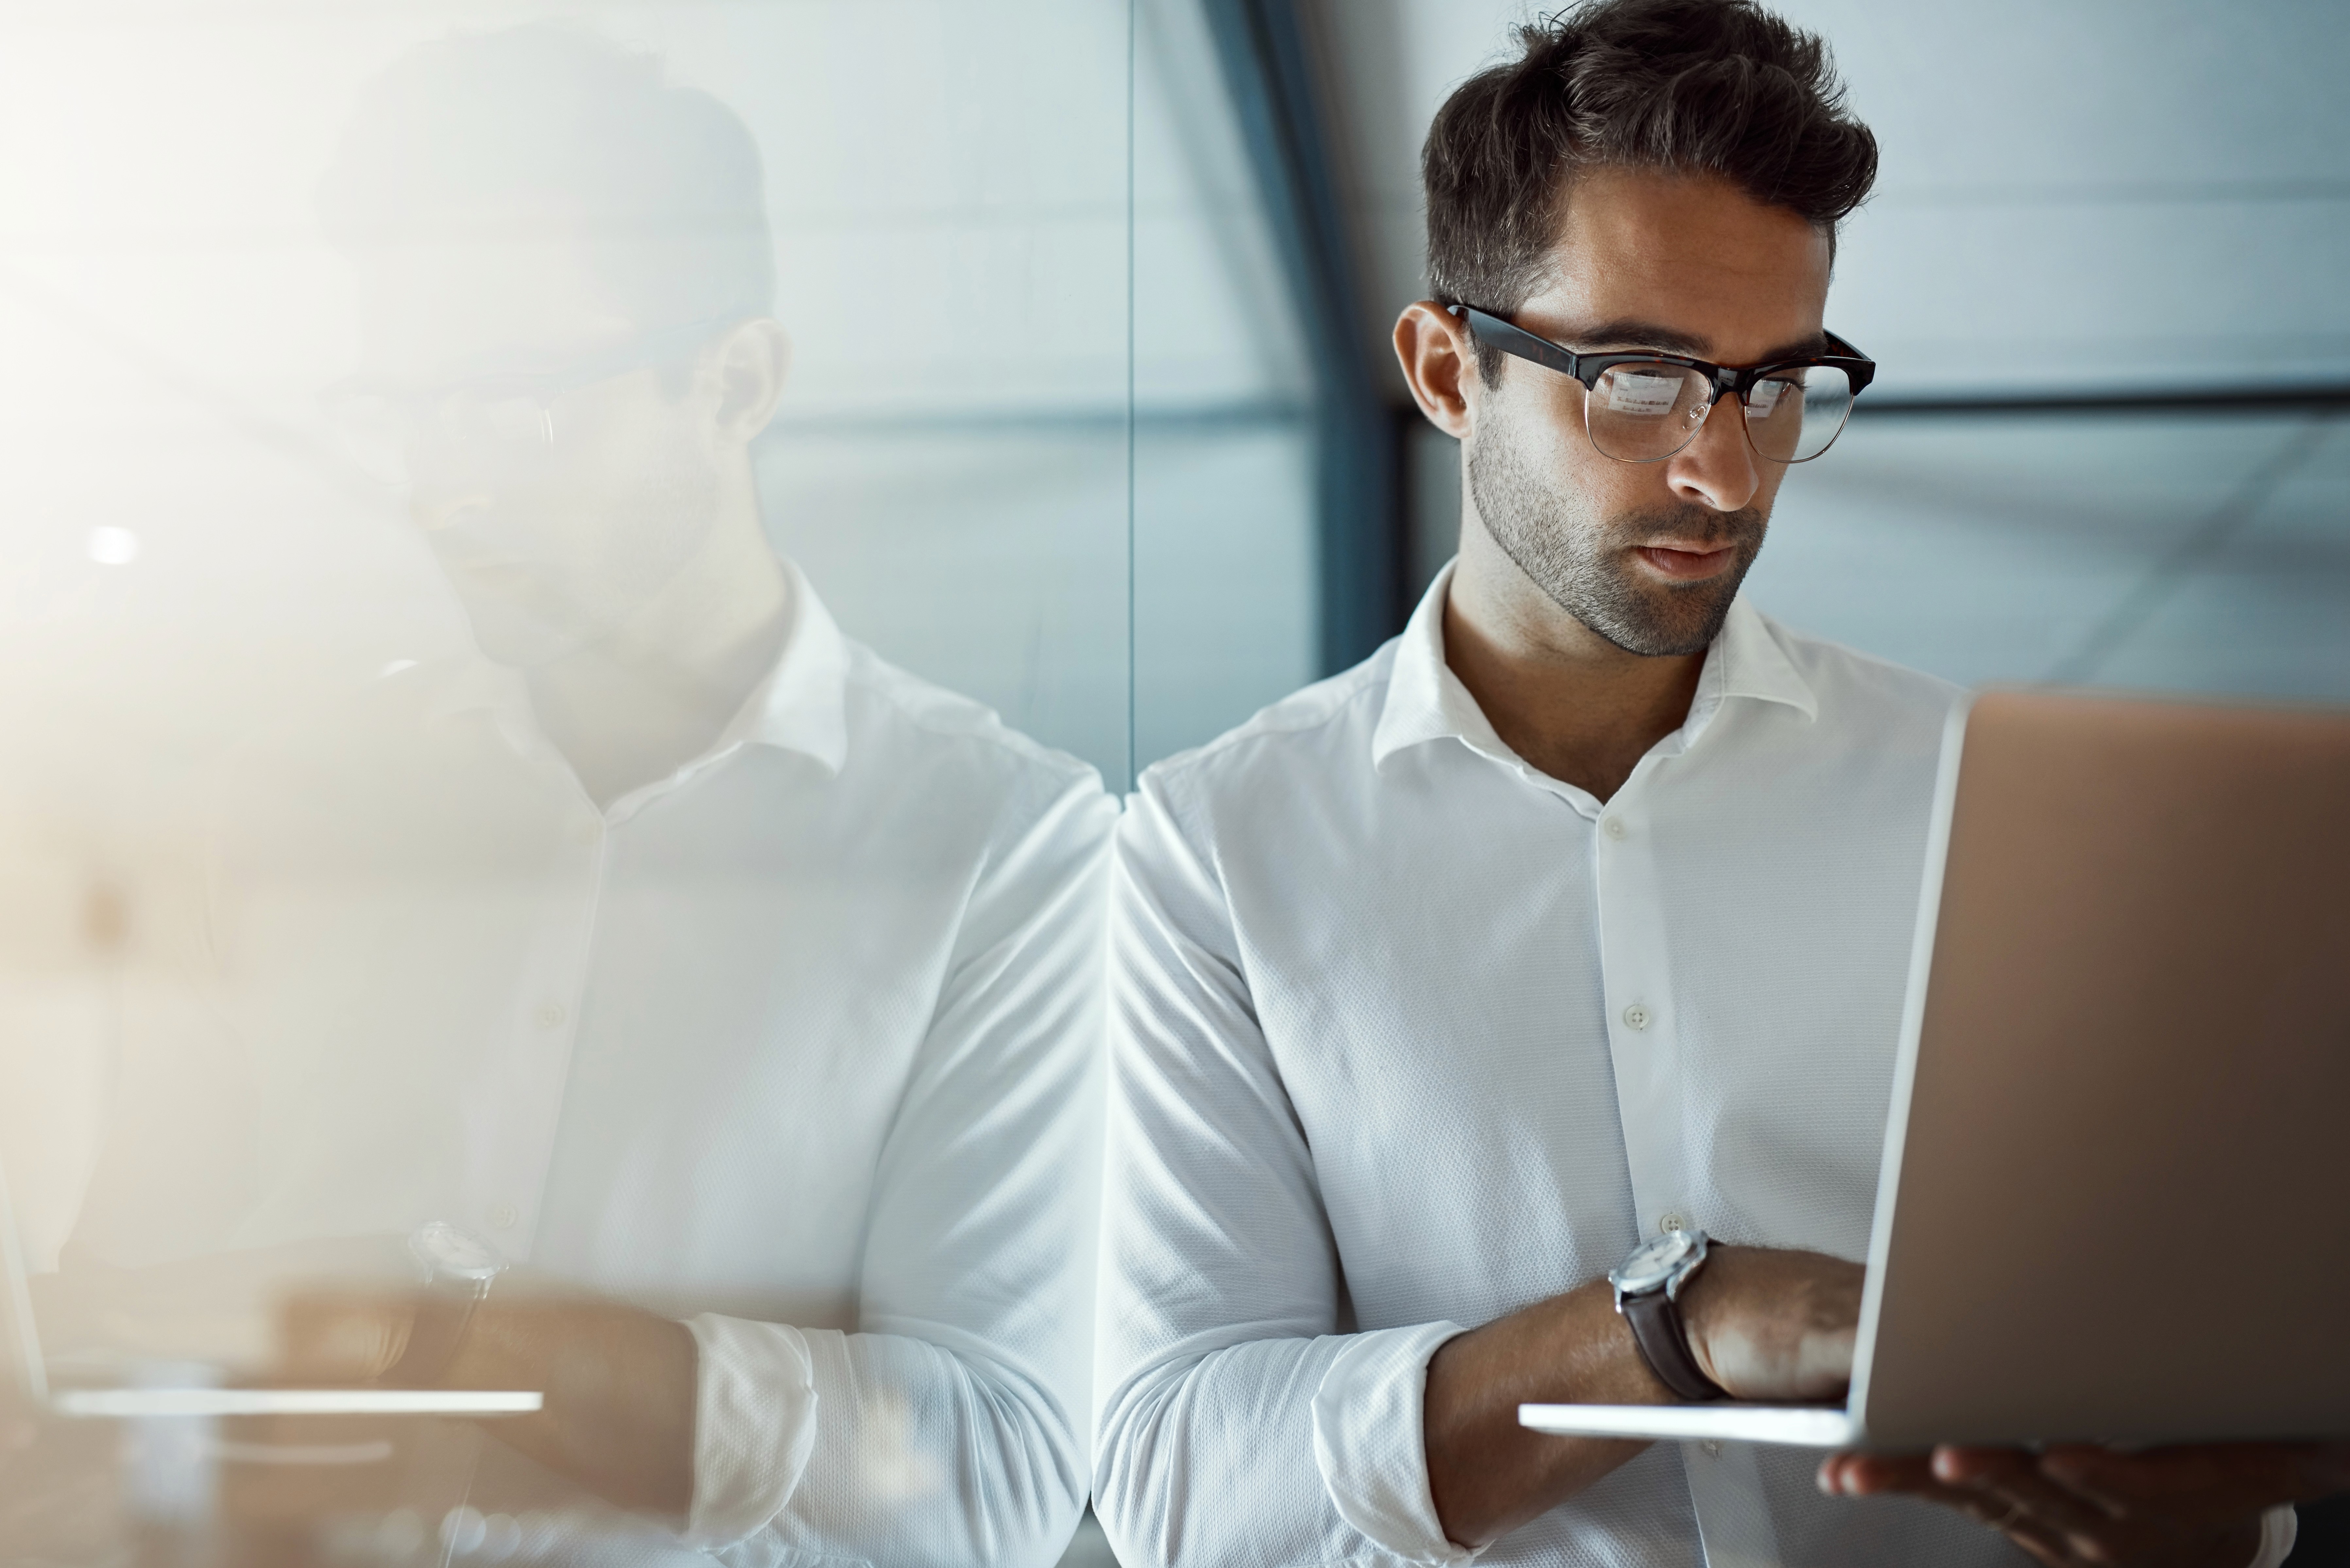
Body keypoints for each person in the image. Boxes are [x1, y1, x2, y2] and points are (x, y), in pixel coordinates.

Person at [1089, 3, 2347, 1566]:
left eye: (1774, 381)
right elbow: (1180, 1479)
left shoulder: (1987, 806)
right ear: (1444, 369)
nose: (1725, 471)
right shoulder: (1215, 850)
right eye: (1637, 376)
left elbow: (2175, 1418)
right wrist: (1685, 1325)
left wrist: (2210, 1521)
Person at [31, 25, 1109, 1567]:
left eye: (517, 395)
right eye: (411, 404)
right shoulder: (275, 813)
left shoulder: (1005, 847)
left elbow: (987, 1477)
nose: (444, 482)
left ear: (737, 381)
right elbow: (137, 1342)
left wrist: (441, 1326)